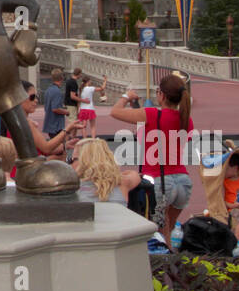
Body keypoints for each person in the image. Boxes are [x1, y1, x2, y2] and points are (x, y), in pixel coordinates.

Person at [111, 73, 195, 246]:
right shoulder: (186, 119)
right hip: (182, 181)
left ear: (161, 95)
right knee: (167, 232)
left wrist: (127, 96)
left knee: (152, 234)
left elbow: (115, 112)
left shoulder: (152, 114)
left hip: (159, 180)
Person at [73, 138, 134, 205]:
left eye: (73, 159)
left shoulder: (71, 187)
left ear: (85, 160)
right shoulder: (122, 182)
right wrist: (111, 174)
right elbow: (134, 175)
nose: (70, 164)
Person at [42, 68, 66, 137]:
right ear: (61, 78)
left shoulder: (48, 90)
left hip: (50, 123)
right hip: (56, 125)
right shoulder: (57, 91)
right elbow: (55, 109)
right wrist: (66, 112)